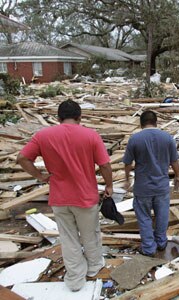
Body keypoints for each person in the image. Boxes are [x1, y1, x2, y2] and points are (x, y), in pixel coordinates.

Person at [17, 99, 113, 292]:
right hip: (86, 197)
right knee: (90, 235)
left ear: (59, 118)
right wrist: (109, 185)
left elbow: (22, 158)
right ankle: (94, 269)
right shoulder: (91, 135)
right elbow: (104, 165)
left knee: (68, 239)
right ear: (79, 117)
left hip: (60, 197)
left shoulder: (43, 136)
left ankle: (76, 279)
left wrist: (40, 176)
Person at [123, 110, 179, 256]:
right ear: (156, 122)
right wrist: (177, 176)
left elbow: (128, 163)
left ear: (141, 123)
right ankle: (161, 242)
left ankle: (148, 247)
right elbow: (174, 161)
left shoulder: (135, 139)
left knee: (144, 217)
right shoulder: (167, 138)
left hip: (143, 187)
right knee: (162, 215)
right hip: (161, 186)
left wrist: (127, 178)